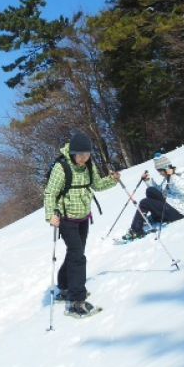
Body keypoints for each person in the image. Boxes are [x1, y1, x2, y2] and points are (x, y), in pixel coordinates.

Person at [45, 131, 120, 318]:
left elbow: (97, 185)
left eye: (87, 155)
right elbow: (50, 193)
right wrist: (50, 216)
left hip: (84, 216)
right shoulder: (61, 168)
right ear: (72, 153)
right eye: (80, 155)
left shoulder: (89, 165)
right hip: (66, 218)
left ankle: (63, 285)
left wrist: (113, 180)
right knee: (78, 257)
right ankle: (76, 301)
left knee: (75, 253)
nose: (83, 159)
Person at [122, 153, 184, 241]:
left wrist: (172, 176)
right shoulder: (168, 177)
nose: (159, 174)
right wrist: (148, 181)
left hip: (179, 211)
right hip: (172, 205)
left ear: (165, 168)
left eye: (160, 171)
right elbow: (161, 191)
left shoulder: (180, 175)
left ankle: (136, 230)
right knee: (150, 190)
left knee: (144, 202)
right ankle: (157, 217)